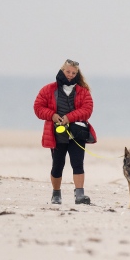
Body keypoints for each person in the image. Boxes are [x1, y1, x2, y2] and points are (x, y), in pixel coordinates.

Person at [33, 59, 98, 205]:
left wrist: (69, 117)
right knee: (57, 165)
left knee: (78, 163)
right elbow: (38, 107)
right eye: (68, 72)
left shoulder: (83, 92)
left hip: (77, 133)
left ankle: (79, 195)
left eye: (73, 73)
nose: (70, 75)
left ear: (77, 74)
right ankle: (56, 194)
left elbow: (87, 110)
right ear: (62, 71)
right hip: (56, 134)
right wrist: (52, 116)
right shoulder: (48, 89)